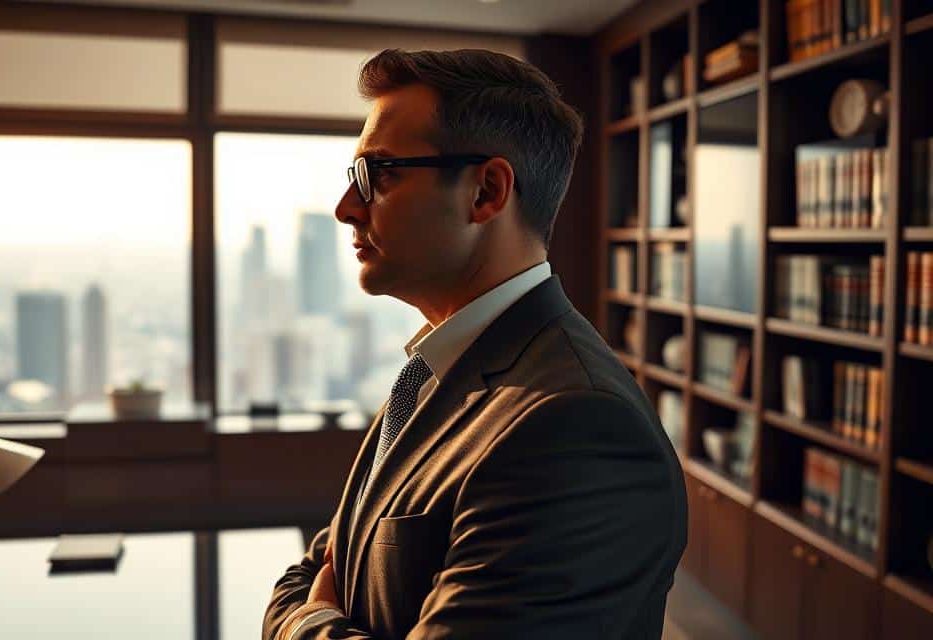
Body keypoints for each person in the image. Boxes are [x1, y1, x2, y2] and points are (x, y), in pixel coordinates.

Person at [263, 48, 687, 640]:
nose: (346, 209)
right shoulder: (437, 369)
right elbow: (320, 562)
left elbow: (305, 597)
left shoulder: (575, 427)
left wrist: (307, 625)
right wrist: (310, 610)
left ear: (486, 191)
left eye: (379, 174)